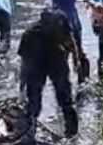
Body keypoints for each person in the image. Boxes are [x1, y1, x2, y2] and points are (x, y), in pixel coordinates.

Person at [17, 8, 79, 138]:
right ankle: (30, 131)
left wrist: (76, 59)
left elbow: (70, 41)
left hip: (55, 62)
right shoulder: (31, 33)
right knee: (35, 100)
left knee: (64, 99)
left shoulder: (59, 24)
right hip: (39, 65)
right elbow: (25, 62)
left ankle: (71, 133)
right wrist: (22, 83)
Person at [51, 0, 90, 83]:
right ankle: (66, 84)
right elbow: (59, 10)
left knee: (79, 53)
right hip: (65, 27)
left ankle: (82, 80)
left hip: (74, 22)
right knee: (64, 56)